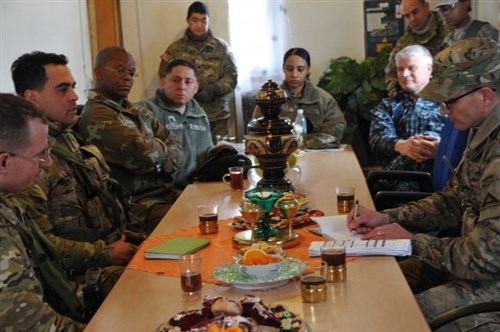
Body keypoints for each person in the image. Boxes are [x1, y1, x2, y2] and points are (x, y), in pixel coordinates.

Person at [348, 37, 500, 330]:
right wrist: (387, 218)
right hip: (467, 266)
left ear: (485, 96)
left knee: (390, 317)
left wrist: (411, 242)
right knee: (371, 286)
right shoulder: (483, 129)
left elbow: (484, 260)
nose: (443, 111)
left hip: (489, 284)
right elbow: (454, 200)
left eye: (448, 101)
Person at [10, 51, 141, 295]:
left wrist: (123, 238)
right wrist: (107, 252)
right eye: (62, 89)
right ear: (32, 98)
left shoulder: (68, 138)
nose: (74, 97)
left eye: (73, 87)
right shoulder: (29, 160)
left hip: (106, 252)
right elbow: (43, 245)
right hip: (81, 277)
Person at [0, 93, 86, 330]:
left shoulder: (9, 201)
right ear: (4, 162)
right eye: (40, 155)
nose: (48, 163)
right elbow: (34, 326)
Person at [79, 46, 184, 234]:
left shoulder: (137, 110)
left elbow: (176, 144)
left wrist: (158, 162)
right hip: (136, 206)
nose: (128, 77)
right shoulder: (96, 115)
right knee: (190, 227)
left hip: (167, 193)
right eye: (120, 71)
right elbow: (144, 153)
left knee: (211, 210)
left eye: (132, 73)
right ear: (98, 72)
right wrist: (161, 152)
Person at [370, 45, 446, 191]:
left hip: (443, 182)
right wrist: (402, 145)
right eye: (400, 69)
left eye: (411, 68)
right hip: (394, 184)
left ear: (429, 69)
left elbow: (465, 138)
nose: (404, 74)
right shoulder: (388, 105)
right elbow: (377, 138)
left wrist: (442, 148)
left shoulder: (448, 103)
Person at [159, 1, 238, 143]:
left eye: (204, 20)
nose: (200, 25)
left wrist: (214, 89)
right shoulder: (175, 49)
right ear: (188, 20)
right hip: (184, 115)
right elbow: (164, 78)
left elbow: (232, 77)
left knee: (219, 156)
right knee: (190, 157)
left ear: (208, 21)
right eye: (195, 20)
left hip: (216, 117)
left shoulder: (222, 47)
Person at [137, 59, 213, 187]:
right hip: (163, 191)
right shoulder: (145, 110)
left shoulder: (200, 114)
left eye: (188, 82)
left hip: (199, 187)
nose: (182, 86)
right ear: (163, 82)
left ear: (196, 87)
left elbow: (209, 154)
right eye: (176, 80)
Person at [253, 47, 346, 144]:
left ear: (308, 69)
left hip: (317, 152)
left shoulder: (323, 99)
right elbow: (255, 130)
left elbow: (337, 129)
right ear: (283, 68)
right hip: (280, 153)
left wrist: (313, 131)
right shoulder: (269, 99)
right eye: (289, 69)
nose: (294, 74)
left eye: (300, 69)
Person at [385, 0, 448, 98]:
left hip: (444, 101)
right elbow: (391, 74)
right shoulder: (403, 42)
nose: (412, 19)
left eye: (415, 12)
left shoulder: (447, 32)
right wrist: (399, 97)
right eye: (407, 16)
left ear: (426, 6)